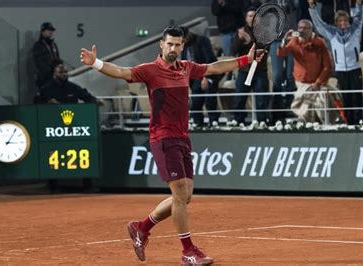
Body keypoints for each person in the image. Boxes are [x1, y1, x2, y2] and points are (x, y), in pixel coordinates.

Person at [80, 26, 263, 265]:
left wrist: (245, 59)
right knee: (178, 194)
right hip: (163, 139)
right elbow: (122, 72)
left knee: (185, 197)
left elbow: (215, 67)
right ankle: (188, 251)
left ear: (182, 46)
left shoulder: (187, 68)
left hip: (182, 138)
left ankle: (141, 227)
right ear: (161, 44)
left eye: (178, 45)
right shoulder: (150, 70)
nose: (173, 48)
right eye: (170, 44)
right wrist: (96, 63)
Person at [38, 59, 103, 194]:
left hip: (74, 129)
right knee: (52, 155)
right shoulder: (46, 89)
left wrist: (96, 101)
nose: (64, 73)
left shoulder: (73, 87)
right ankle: (53, 186)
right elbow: (37, 104)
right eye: (60, 71)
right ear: (54, 73)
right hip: (54, 130)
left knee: (84, 154)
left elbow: (87, 97)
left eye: (65, 71)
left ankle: (87, 185)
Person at [309, 0, 363, 124]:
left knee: (357, 97)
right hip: (341, 70)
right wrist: (312, 7)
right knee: (345, 98)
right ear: (337, 23)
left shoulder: (355, 30)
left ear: (348, 21)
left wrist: (359, 4)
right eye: (340, 21)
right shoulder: (332, 33)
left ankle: (360, 122)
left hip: (354, 69)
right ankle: (349, 123)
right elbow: (319, 24)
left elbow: (360, 16)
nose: (343, 23)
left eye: (345, 20)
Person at [277, 20, 335, 123]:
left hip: (319, 82)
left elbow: (328, 66)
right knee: (308, 102)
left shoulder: (320, 42)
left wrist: (317, 83)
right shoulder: (294, 41)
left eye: (305, 28)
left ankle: (322, 123)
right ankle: (306, 123)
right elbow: (281, 54)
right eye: (300, 28)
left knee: (321, 100)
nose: (302, 30)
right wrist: (284, 42)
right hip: (302, 83)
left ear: (311, 30)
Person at [231, 7, 270, 125]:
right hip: (244, 71)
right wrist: (240, 38)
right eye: (249, 16)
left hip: (259, 70)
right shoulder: (241, 32)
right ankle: (238, 122)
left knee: (261, 99)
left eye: (254, 16)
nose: (252, 18)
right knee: (239, 98)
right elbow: (233, 50)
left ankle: (262, 122)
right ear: (246, 18)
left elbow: (263, 47)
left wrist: (249, 40)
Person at [180, 27, 223, 128]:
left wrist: (205, 77)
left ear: (188, 34)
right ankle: (197, 122)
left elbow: (209, 59)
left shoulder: (202, 40)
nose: (182, 41)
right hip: (194, 78)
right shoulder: (183, 45)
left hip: (209, 74)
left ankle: (213, 122)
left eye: (183, 38)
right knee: (196, 101)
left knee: (210, 100)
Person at [33, 22, 60, 88]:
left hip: (55, 77)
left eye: (51, 30)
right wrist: (51, 72)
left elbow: (58, 59)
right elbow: (39, 63)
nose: (50, 32)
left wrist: (58, 70)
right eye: (48, 30)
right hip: (44, 78)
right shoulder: (38, 45)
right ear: (42, 31)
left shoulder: (53, 44)